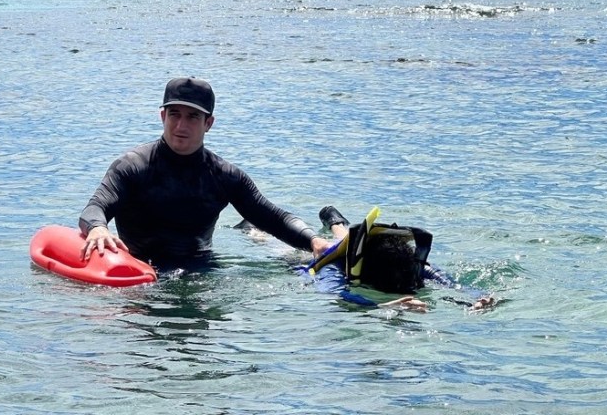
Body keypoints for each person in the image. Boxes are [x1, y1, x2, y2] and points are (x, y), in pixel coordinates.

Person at [78, 76, 332, 269]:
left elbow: (273, 218)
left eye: (192, 117)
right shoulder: (132, 166)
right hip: (138, 271)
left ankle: (282, 238)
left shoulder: (224, 176)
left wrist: (313, 241)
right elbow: (95, 208)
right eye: (174, 115)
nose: (181, 126)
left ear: (208, 123)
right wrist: (98, 228)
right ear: (162, 116)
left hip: (202, 271)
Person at [238, 206, 496, 312]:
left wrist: (478, 297)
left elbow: (450, 285)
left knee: (346, 236)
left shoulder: (411, 263)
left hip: (356, 244)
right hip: (322, 257)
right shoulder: (336, 268)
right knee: (283, 250)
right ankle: (253, 228)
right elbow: (336, 293)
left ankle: (334, 218)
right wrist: (387, 305)